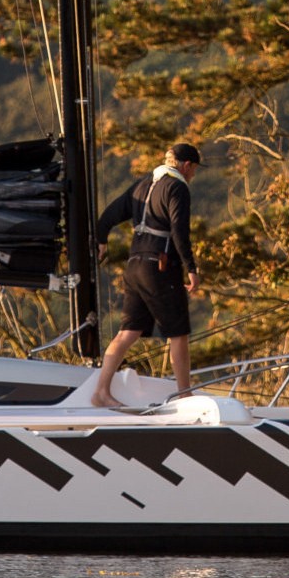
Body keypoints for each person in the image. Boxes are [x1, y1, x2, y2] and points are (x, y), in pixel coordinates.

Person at [88, 142, 201, 408]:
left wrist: (101, 240)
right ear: (186, 166)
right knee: (178, 333)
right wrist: (191, 268)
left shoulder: (142, 184)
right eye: (194, 170)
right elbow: (179, 232)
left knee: (128, 331)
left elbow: (106, 218)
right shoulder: (177, 188)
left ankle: (101, 392)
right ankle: (184, 395)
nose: (193, 175)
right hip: (159, 268)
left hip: (134, 265)